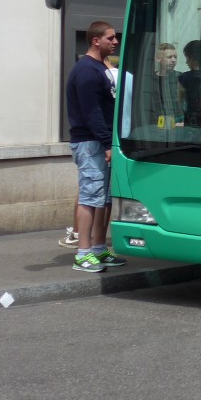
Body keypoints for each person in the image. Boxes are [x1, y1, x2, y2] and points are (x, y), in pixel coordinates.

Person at [65, 21, 126, 271]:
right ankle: (83, 253)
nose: (115, 42)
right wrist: (106, 142)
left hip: (102, 142)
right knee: (90, 198)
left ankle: (99, 249)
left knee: (104, 198)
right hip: (90, 144)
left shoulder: (101, 68)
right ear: (95, 40)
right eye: (110, 38)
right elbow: (92, 113)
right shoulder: (87, 71)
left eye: (115, 38)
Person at [148, 43, 184, 127]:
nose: (173, 60)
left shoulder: (182, 78)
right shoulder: (150, 80)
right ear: (158, 58)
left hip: (179, 127)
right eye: (169, 57)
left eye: (175, 57)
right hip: (155, 128)